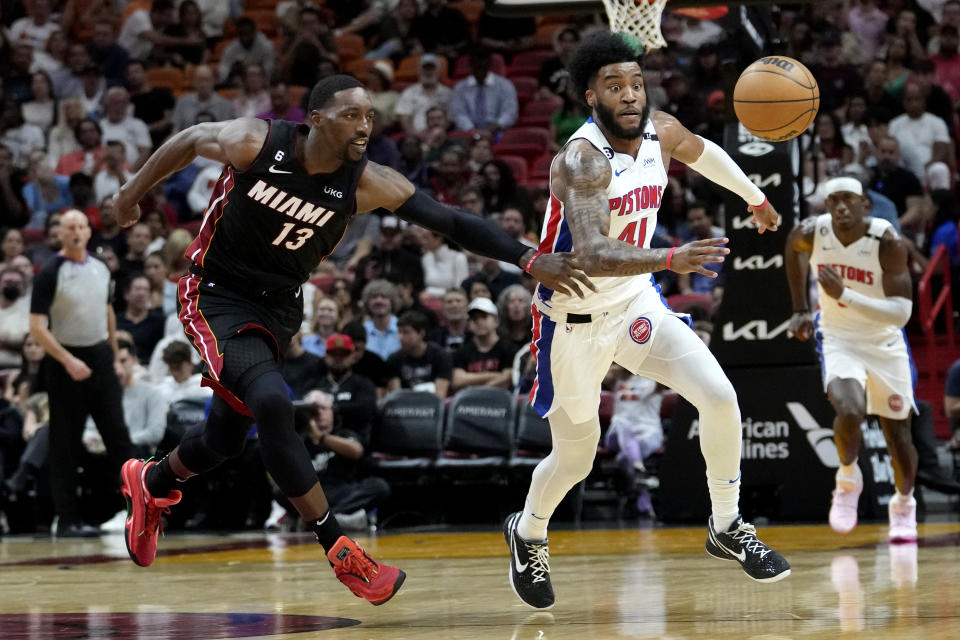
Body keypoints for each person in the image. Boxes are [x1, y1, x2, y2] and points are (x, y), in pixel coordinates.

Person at [110, 74, 589, 604]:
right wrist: (131, 194)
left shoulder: (367, 182)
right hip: (216, 294)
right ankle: (340, 547)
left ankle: (151, 481)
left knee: (224, 439)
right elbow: (189, 138)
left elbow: (450, 220)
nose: (364, 126)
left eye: (369, 117)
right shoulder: (257, 142)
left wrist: (526, 257)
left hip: (280, 306)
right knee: (272, 402)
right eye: (351, 116)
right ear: (316, 119)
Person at [504, 32, 790, 611]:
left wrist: (755, 198)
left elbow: (702, 150)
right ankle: (528, 532)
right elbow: (588, 251)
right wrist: (669, 257)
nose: (630, 95)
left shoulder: (661, 130)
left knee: (719, 398)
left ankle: (728, 525)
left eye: (636, 83)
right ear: (591, 96)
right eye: (615, 86)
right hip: (574, 320)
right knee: (578, 457)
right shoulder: (581, 160)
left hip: (635, 303)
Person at [785, 177, 918, 543]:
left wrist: (845, 294)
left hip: (885, 343)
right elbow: (791, 245)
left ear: (865, 205)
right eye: (833, 201)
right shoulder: (813, 232)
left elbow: (901, 314)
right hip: (839, 338)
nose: (840, 208)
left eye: (848, 200)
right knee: (849, 410)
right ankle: (847, 478)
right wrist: (799, 309)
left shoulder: (887, 241)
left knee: (899, 438)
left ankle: (904, 504)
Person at [28, 209, 133, 537]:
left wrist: (115, 357)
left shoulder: (102, 268)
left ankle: (134, 513)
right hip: (64, 361)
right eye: (68, 227)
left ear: (89, 232)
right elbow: (36, 328)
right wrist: (67, 360)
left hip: (100, 357)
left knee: (118, 436)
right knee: (65, 443)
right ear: (59, 233)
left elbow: (107, 314)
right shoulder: (49, 273)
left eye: (80, 226)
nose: (75, 232)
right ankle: (67, 519)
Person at [451, 296, 515, 391]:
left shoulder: (509, 349)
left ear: (496, 321)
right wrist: (494, 375)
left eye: (484, 317)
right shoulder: (462, 351)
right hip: (470, 404)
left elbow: (506, 379)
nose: (479, 322)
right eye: (474, 318)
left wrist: (477, 390)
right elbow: (458, 381)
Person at [386, 310, 452, 397]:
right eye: (399, 332)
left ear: (421, 334)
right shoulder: (394, 359)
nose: (400, 337)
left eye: (406, 332)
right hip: (405, 407)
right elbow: (396, 397)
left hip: (432, 406)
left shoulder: (440, 356)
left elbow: (440, 396)